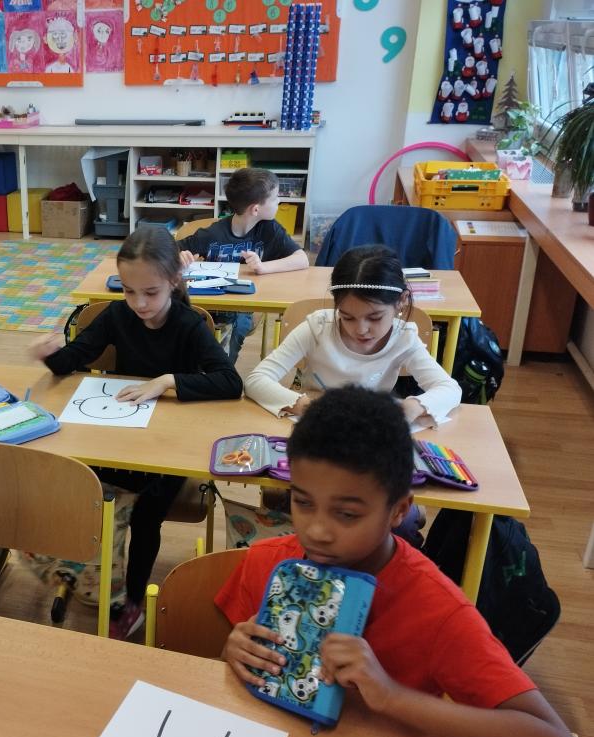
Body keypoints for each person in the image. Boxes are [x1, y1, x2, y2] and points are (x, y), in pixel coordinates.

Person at [216, 387, 581, 737]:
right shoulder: (266, 562)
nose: (317, 531)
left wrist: (391, 696)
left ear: (399, 510)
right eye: (303, 502)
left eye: (347, 514)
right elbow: (217, 675)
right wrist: (232, 652)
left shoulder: (438, 610)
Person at [30, 227, 242, 640]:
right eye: (129, 292)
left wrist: (167, 381)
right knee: (80, 485)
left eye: (151, 293)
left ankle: (131, 601)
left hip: (167, 450)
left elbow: (230, 382)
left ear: (173, 282)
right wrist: (49, 354)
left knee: (146, 514)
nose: (139, 303)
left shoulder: (188, 325)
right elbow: (72, 360)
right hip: (119, 439)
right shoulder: (117, 315)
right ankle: (87, 569)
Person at [246, 244, 460, 429]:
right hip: (317, 427)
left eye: (375, 318)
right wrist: (309, 408)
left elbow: (449, 389)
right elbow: (257, 379)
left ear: (401, 301)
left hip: (370, 433)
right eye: (347, 317)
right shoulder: (318, 328)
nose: (360, 329)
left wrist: (412, 407)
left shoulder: (404, 338)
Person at [178, 168, 309, 363]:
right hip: (209, 304)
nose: (279, 201)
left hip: (241, 307)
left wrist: (264, 267)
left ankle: (222, 369)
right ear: (255, 209)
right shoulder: (213, 234)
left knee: (236, 325)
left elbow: (302, 259)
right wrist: (178, 256)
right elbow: (168, 249)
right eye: (275, 198)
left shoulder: (270, 230)